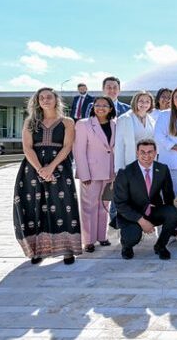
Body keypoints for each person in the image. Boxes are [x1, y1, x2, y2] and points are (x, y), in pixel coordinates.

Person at [14, 88, 81, 265]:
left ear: (56, 100)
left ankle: (67, 250)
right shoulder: (30, 122)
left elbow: (67, 147)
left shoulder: (67, 122)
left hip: (60, 167)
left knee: (62, 205)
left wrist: (51, 167)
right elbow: (27, 147)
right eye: (41, 97)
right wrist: (40, 170)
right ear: (37, 101)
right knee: (35, 206)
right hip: (32, 169)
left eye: (48, 97)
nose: (45, 100)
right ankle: (37, 251)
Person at [113, 138, 177, 260]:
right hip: (131, 214)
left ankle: (160, 246)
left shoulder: (162, 169)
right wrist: (141, 221)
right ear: (137, 153)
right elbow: (120, 204)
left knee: (174, 213)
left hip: (152, 210)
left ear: (155, 153)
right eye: (143, 152)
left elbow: (168, 196)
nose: (146, 155)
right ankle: (126, 246)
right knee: (132, 236)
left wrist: (172, 222)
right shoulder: (125, 172)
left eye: (150, 152)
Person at [73, 96, 116, 253]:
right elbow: (79, 150)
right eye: (98, 105)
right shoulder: (83, 124)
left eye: (105, 105)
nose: (101, 108)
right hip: (91, 172)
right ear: (93, 107)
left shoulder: (115, 124)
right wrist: (84, 174)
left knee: (105, 205)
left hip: (109, 172)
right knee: (89, 206)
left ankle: (102, 236)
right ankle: (89, 240)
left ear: (111, 108)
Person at [115, 91, 156, 173]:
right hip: (131, 161)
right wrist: (119, 170)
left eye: (147, 101)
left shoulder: (151, 120)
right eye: (141, 101)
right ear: (135, 102)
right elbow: (119, 146)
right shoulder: (125, 118)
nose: (144, 104)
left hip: (148, 163)